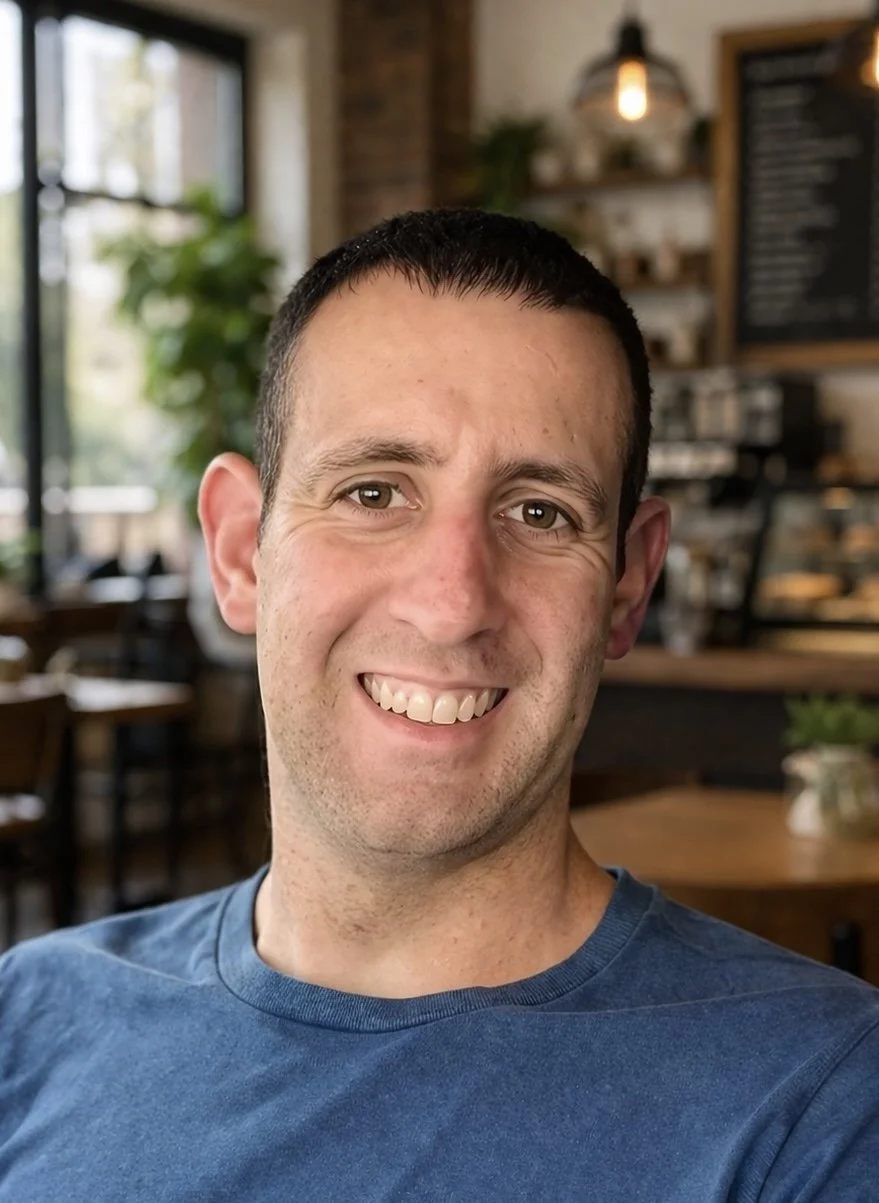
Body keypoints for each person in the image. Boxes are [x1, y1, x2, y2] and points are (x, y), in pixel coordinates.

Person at [1, 209, 878, 1202]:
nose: (453, 604)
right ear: (241, 553)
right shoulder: (28, 1022)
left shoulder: (824, 1109)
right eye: (374, 494)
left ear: (627, 586)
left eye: (539, 512)